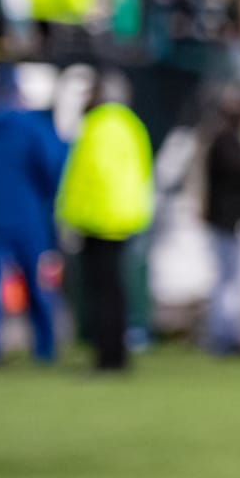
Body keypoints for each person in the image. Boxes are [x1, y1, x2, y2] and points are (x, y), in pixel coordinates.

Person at [0, 66, 66, 364]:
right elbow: (51, 167)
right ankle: (45, 348)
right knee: (37, 283)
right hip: (27, 215)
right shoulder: (32, 128)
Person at [56, 73, 155, 371]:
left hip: (98, 222)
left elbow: (87, 179)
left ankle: (107, 357)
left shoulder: (98, 126)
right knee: (115, 292)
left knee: (103, 294)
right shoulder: (130, 125)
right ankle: (116, 354)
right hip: (122, 219)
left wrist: (72, 217)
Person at [202, 87, 240, 355]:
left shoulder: (224, 140)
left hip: (228, 220)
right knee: (228, 281)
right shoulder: (227, 142)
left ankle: (226, 334)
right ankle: (224, 337)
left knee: (229, 281)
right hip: (227, 222)